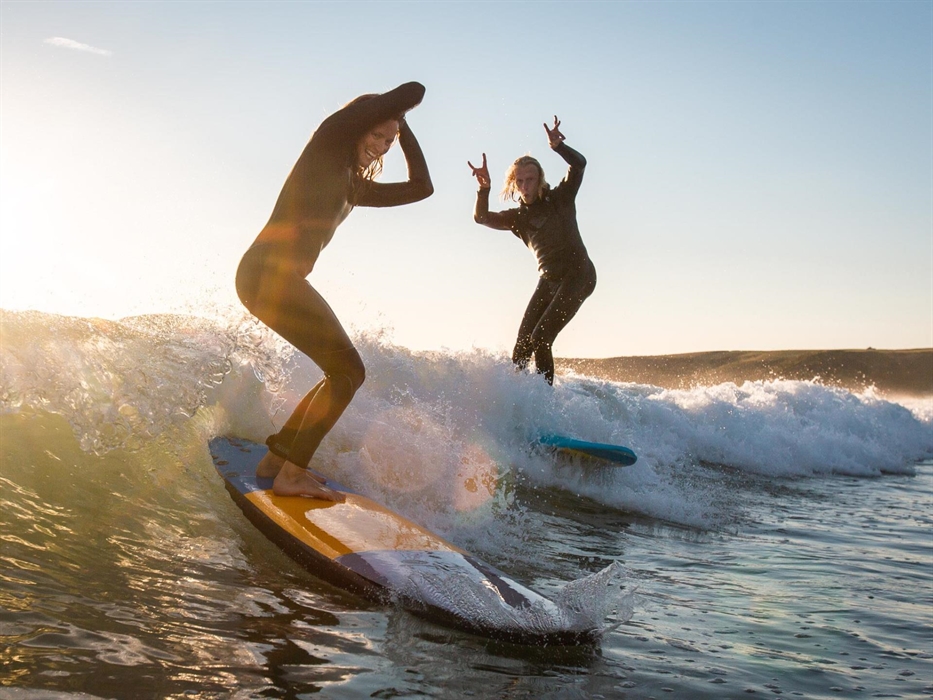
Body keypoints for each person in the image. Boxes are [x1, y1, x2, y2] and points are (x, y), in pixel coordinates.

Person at [236, 82, 433, 500]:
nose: (381, 147)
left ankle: (279, 459)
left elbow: (422, 188)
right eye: (376, 135)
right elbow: (413, 89)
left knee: (342, 373)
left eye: (389, 141)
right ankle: (291, 474)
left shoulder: (353, 185)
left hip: (277, 280)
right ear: (358, 126)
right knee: (349, 372)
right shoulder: (326, 146)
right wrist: (398, 113)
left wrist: (402, 130)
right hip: (267, 275)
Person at [468, 116, 596, 385]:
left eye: (530, 179)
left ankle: (543, 406)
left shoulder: (560, 198)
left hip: (579, 275)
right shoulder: (518, 218)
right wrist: (484, 189)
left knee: (541, 339)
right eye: (520, 181)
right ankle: (520, 405)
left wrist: (557, 147)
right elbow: (481, 218)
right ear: (514, 184)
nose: (525, 186)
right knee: (521, 349)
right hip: (549, 279)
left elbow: (579, 164)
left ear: (540, 180)